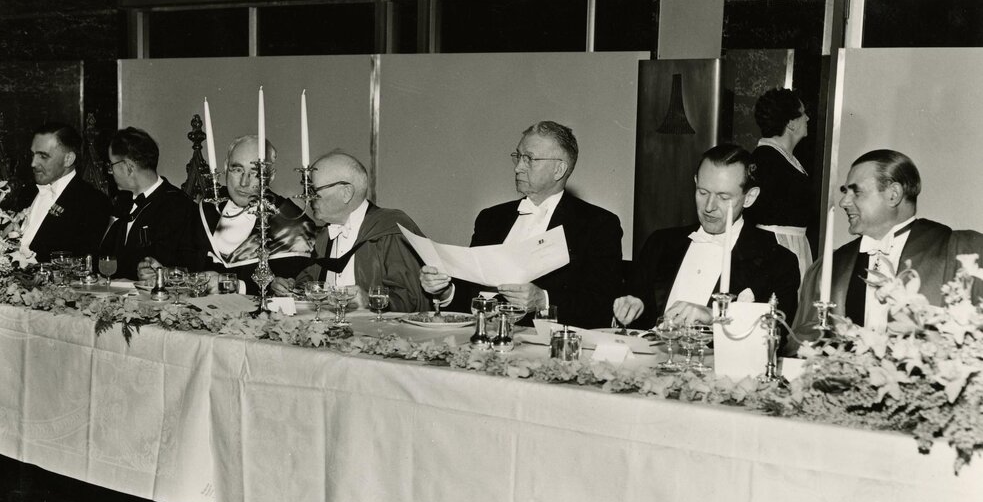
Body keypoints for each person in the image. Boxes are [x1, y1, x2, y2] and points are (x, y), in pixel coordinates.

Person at [419, 120, 622, 328]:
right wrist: (444, 290)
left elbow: (601, 305)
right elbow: (471, 293)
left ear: (559, 170)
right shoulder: (491, 218)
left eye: (529, 159)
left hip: (543, 347)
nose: (517, 168)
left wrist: (544, 301)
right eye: (518, 156)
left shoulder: (597, 224)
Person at [792, 149, 983, 344]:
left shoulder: (961, 253)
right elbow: (802, 344)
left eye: (856, 192)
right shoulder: (831, 268)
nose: (843, 202)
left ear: (893, 194)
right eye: (845, 192)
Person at [614, 143, 800, 330]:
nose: (709, 206)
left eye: (724, 197)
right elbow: (636, 312)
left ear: (749, 197)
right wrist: (631, 308)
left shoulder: (778, 262)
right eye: (702, 192)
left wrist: (715, 317)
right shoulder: (660, 243)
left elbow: (776, 333)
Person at [138, 135, 316, 294]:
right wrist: (164, 272)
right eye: (237, 169)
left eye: (255, 173)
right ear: (225, 168)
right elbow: (189, 266)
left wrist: (231, 285)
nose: (244, 182)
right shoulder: (207, 209)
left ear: (271, 176)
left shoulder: (294, 226)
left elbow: (294, 290)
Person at [271, 151, 429, 312]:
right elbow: (311, 283)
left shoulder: (390, 228)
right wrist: (290, 289)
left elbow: (413, 299)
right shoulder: (325, 234)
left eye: (313, 190)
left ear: (346, 193)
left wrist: (370, 301)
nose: (308, 198)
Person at [99, 127, 196, 280]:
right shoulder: (121, 202)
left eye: (111, 165)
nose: (110, 172)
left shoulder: (177, 206)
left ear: (129, 168)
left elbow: (179, 265)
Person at [744, 87, 813, 281]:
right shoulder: (765, 159)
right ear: (791, 123)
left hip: (795, 245)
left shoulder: (787, 159)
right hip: (777, 249)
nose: (807, 118)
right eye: (803, 114)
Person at [19, 122, 111, 263]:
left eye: (43, 156)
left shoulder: (92, 202)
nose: (33, 163)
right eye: (33, 155)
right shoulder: (25, 193)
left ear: (68, 159)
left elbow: (85, 262)